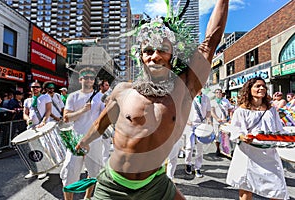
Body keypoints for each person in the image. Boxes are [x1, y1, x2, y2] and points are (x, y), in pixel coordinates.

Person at [76, 0, 229, 199]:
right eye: (148, 51)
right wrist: (84, 142)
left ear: (173, 55)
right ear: (140, 56)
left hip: (154, 183)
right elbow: (101, 123)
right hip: (113, 184)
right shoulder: (123, 91)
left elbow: (210, 43)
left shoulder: (184, 89)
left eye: (162, 49)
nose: (155, 56)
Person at [226, 77, 289, 200]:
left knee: (278, 190)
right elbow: (235, 129)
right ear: (249, 89)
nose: (262, 88)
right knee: (246, 190)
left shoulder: (271, 110)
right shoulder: (241, 110)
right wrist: (242, 136)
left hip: (269, 154)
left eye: (264, 86)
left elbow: (279, 129)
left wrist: (288, 137)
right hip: (248, 154)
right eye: (257, 86)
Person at [61, 67, 105, 200]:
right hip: (76, 140)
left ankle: (87, 197)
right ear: (80, 79)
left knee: (93, 172)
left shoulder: (100, 97)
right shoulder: (73, 96)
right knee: (70, 173)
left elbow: (105, 116)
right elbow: (66, 118)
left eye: (92, 78)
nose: (89, 80)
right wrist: (82, 110)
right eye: (86, 77)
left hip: (94, 140)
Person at [23, 81, 52, 179]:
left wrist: (43, 122)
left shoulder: (45, 97)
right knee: (31, 149)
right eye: (33, 87)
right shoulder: (27, 100)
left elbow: (48, 110)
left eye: (37, 87)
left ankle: (44, 170)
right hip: (31, 128)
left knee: (42, 149)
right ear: (30, 88)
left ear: (40, 88)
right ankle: (33, 170)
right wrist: (27, 119)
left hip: (42, 126)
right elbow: (25, 113)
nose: (35, 89)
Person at [184, 90, 212, 177]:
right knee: (189, 146)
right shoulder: (188, 98)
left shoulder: (206, 98)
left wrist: (209, 120)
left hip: (201, 124)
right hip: (191, 125)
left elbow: (208, 111)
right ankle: (188, 164)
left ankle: (197, 167)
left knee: (200, 148)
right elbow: (184, 111)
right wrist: (187, 121)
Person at [211, 88, 233, 156]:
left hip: (225, 121)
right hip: (217, 122)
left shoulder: (226, 101)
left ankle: (229, 150)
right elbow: (212, 111)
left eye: (219, 92)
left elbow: (230, 110)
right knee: (217, 136)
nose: (218, 94)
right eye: (217, 92)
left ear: (222, 93)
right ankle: (218, 149)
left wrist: (231, 119)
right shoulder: (213, 102)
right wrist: (217, 118)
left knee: (227, 135)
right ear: (215, 94)